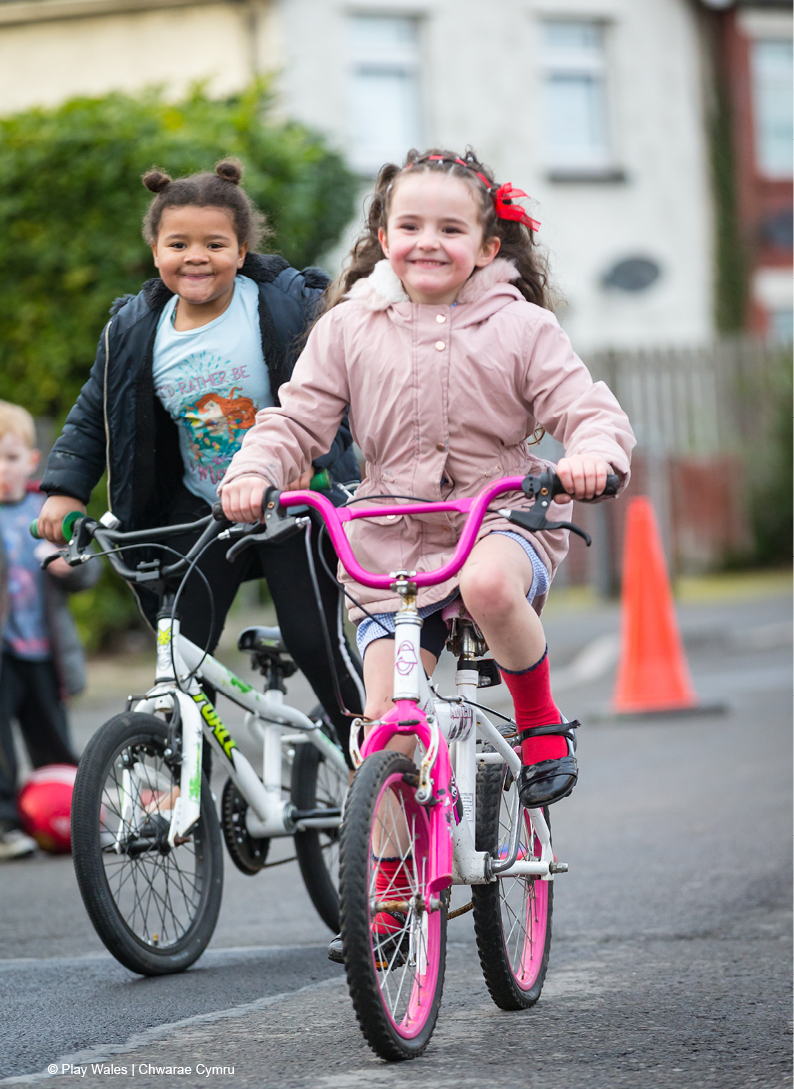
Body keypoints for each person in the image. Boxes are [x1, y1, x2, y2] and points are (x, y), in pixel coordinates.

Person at [219, 147, 635, 956]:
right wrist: (254, 470)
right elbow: (296, 422)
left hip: (501, 515)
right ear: (382, 235)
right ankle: (393, 892)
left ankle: (542, 719)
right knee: (390, 731)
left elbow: (586, 410)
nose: (428, 242)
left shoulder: (522, 325)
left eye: (451, 227)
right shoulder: (346, 327)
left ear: (487, 246)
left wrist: (592, 455)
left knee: (487, 584)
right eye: (409, 225)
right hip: (389, 534)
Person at [37, 159, 364, 752]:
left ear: (241, 252)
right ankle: (185, 777)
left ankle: (373, 757)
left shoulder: (284, 305)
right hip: (203, 509)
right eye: (178, 243)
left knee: (316, 640)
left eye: (214, 243)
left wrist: (318, 458)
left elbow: (339, 390)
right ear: (155, 250)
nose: (196, 256)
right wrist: (65, 489)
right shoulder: (136, 328)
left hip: (292, 504)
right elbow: (93, 413)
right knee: (181, 649)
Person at [0, 402, 98, 859]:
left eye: (11, 457)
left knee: (54, 742)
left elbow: (88, 572)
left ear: (31, 461)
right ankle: (5, 826)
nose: (3, 469)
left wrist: (69, 567)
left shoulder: (48, 510)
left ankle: (69, 818)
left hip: (45, 652)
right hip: (5, 653)